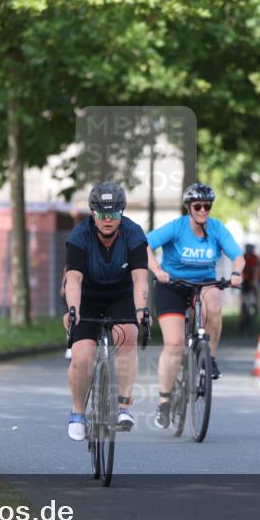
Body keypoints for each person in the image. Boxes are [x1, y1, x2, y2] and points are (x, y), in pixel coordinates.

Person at [146, 182, 244, 429]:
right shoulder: (177, 227)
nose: (203, 210)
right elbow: (144, 244)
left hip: (204, 284)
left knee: (215, 301)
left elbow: (238, 256)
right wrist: (157, 270)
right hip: (172, 285)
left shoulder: (217, 229)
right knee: (174, 344)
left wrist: (237, 273)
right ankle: (164, 402)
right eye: (198, 206)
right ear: (188, 207)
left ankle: (209, 358)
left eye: (207, 206)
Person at [63, 182, 149, 441]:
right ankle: (78, 412)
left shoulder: (134, 234)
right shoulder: (79, 236)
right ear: (93, 213)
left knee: (128, 335)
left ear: (121, 213)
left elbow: (140, 279)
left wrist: (143, 309)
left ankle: (124, 407)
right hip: (86, 297)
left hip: (119, 296)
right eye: (103, 214)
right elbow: (74, 280)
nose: (108, 220)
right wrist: (73, 310)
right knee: (82, 355)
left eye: (114, 214)